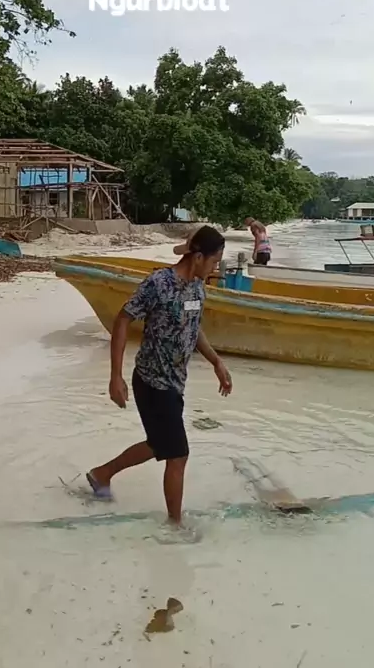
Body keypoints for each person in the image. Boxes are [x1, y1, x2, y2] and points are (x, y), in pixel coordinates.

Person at [87, 225, 233, 525]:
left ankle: (102, 474)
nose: (216, 268)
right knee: (178, 453)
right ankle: (175, 526)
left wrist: (216, 362)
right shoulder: (159, 283)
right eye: (214, 261)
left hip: (175, 382)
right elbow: (123, 319)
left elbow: (193, 328)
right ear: (198, 257)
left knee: (159, 444)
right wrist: (115, 376)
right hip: (152, 382)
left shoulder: (197, 287)